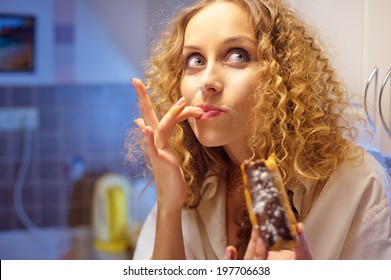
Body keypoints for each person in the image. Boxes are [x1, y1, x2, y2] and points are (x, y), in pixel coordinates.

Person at [128, 0, 391, 260]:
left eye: (237, 56)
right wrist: (169, 207)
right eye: (195, 60)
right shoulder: (187, 179)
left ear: (284, 73)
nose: (207, 81)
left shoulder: (358, 184)